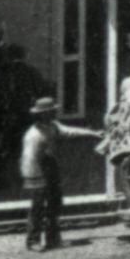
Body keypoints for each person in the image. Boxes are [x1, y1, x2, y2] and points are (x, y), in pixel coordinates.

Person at [19, 98, 96, 251]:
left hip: (50, 167)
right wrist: (36, 181)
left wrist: (93, 133)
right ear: (43, 114)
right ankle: (33, 241)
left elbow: (69, 131)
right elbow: (29, 159)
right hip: (37, 171)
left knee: (54, 204)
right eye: (51, 111)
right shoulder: (34, 135)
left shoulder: (53, 126)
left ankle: (53, 238)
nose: (54, 112)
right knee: (38, 207)